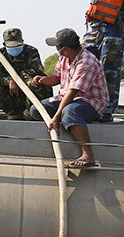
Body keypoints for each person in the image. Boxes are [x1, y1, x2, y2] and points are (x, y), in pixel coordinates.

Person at [30, 28, 110, 168]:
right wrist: (43, 80)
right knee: (36, 109)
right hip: (68, 98)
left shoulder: (86, 62)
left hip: (90, 101)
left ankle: (88, 154)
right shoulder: (64, 58)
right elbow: (56, 78)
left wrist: (56, 117)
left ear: (65, 49)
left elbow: (73, 92)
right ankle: (71, 124)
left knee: (70, 112)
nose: (57, 49)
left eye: (57, 46)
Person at [0, 28, 51, 120]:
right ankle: (14, 114)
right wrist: (9, 81)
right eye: (11, 45)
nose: (15, 47)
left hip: (30, 88)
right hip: (13, 92)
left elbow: (36, 70)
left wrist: (19, 80)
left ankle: (33, 113)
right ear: (4, 44)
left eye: (18, 44)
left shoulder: (31, 51)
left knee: (38, 84)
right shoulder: (1, 54)